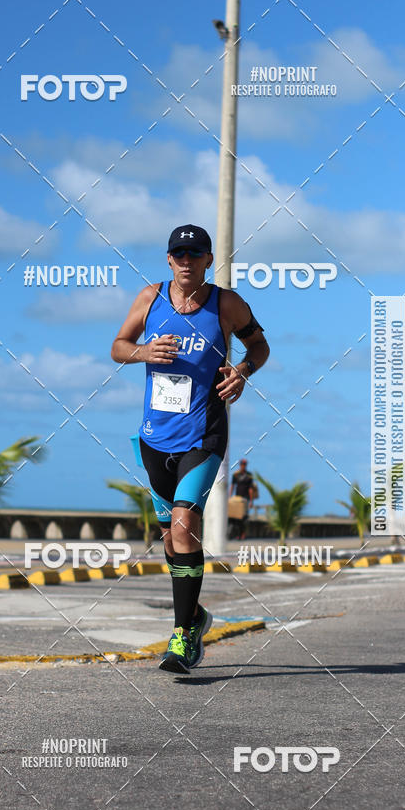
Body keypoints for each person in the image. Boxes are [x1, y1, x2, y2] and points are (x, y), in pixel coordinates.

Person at [111, 224, 270, 674]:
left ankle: (182, 638)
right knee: (170, 537)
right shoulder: (150, 298)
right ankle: (196, 615)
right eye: (178, 254)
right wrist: (143, 353)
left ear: (207, 259)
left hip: (204, 435)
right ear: (168, 259)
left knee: (183, 526)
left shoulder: (227, 304)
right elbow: (117, 346)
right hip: (153, 437)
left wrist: (242, 370)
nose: (186, 261)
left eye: (194, 254)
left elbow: (259, 344)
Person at [229, 458, 255, 540]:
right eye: (242, 464)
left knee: (243, 518)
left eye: (245, 464)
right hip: (237, 499)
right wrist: (230, 497)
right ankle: (238, 534)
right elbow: (232, 486)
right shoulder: (236, 475)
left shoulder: (249, 475)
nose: (243, 466)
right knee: (235, 517)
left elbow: (251, 489)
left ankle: (243, 534)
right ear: (240, 465)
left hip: (245, 499)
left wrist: (251, 501)